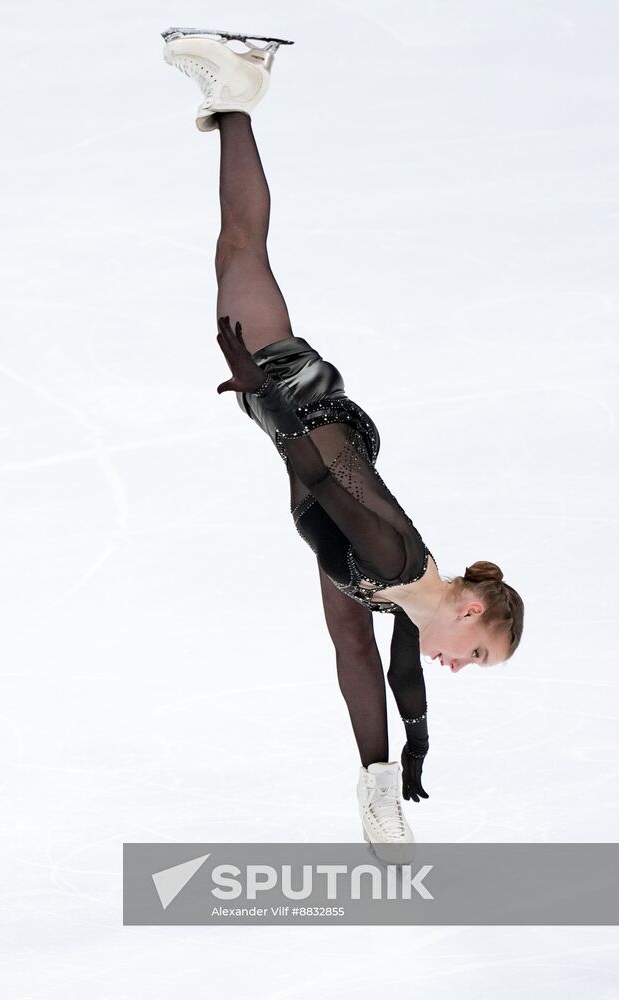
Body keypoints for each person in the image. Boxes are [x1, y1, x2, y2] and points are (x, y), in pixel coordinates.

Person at [162, 29, 524, 845]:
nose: (456, 668)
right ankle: (237, 90)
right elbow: (325, 483)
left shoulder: (403, 597)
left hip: (305, 419)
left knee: (234, 251)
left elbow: (385, 670)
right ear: (468, 610)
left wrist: (411, 753)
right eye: (476, 654)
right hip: (296, 400)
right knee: (241, 248)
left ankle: (375, 792)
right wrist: (264, 393)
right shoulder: (393, 567)